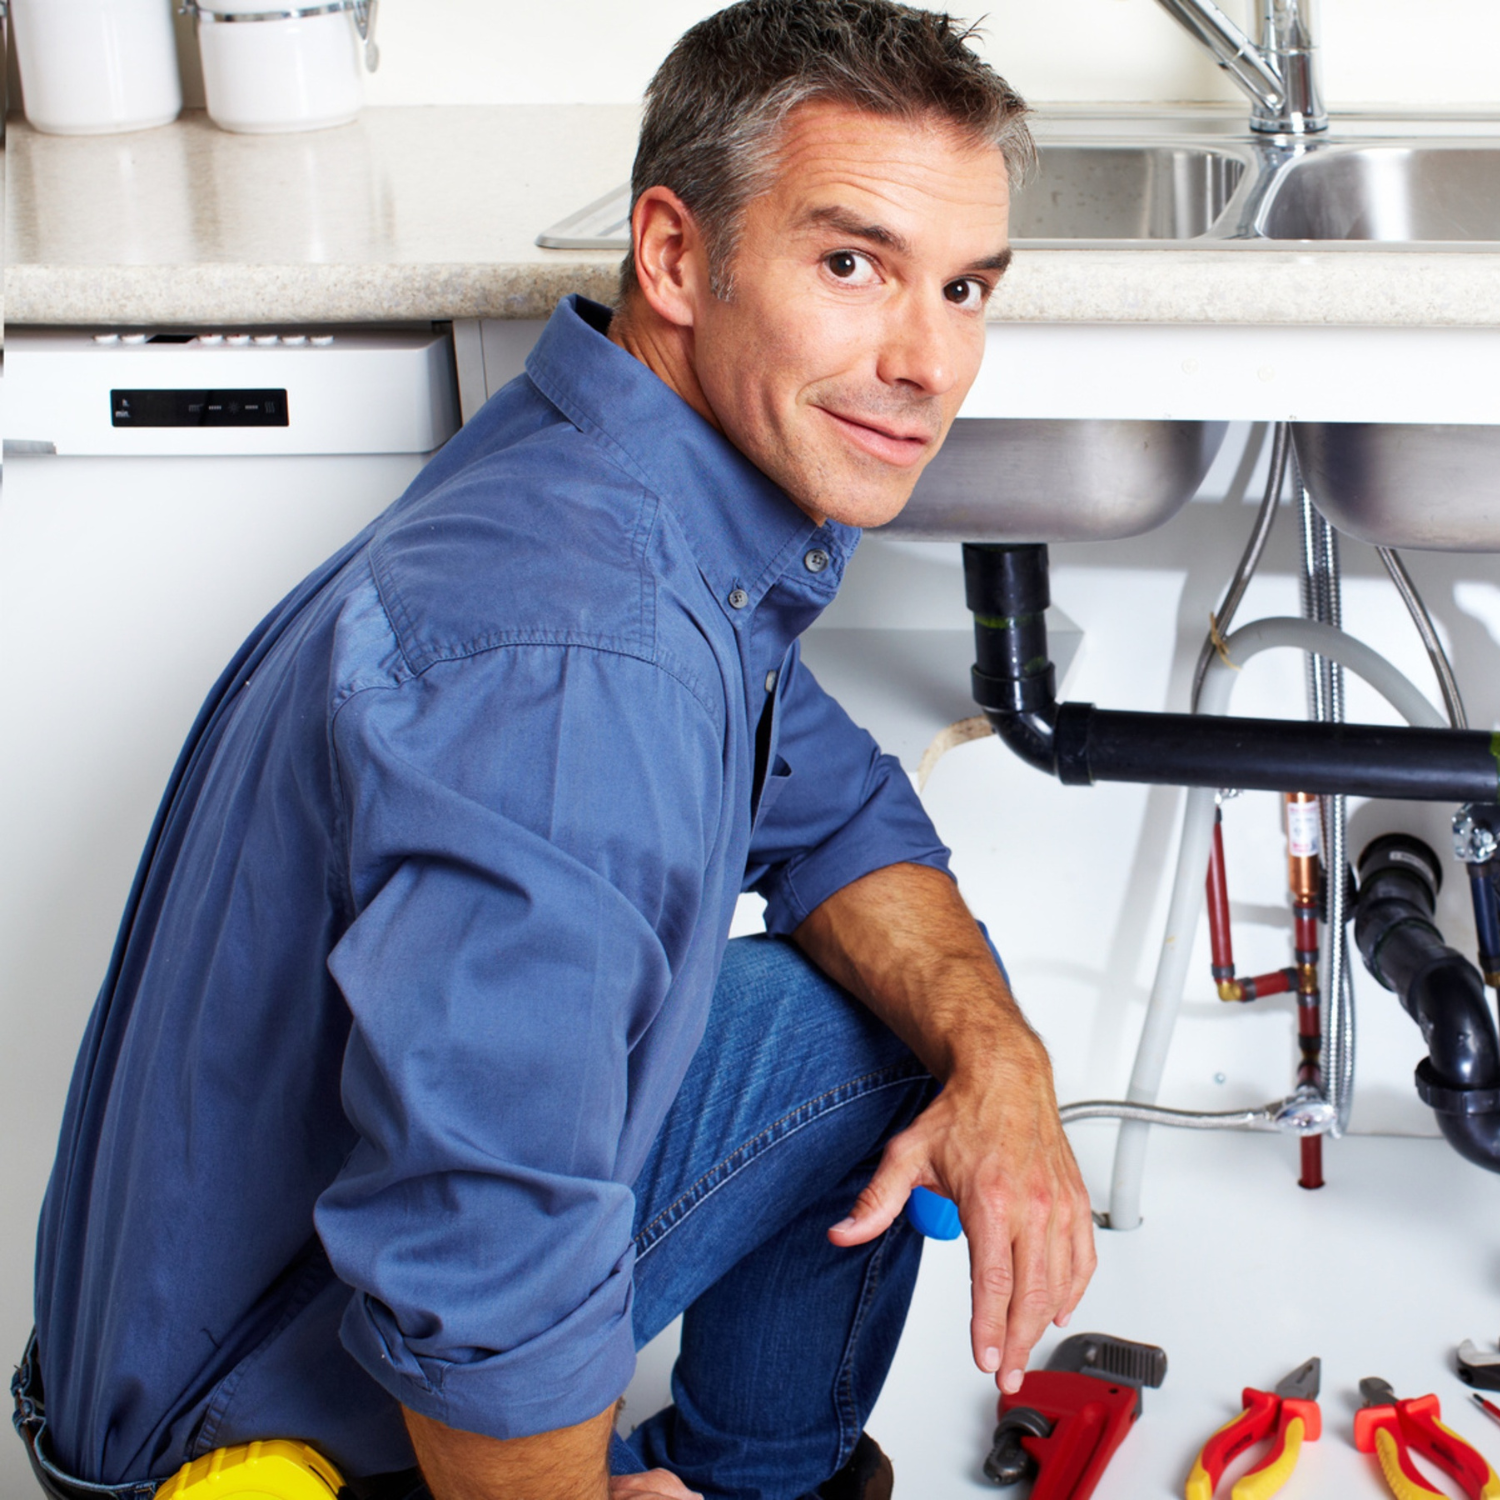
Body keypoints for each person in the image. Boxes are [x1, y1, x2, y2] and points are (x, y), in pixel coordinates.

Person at [15, 3, 1096, 1498]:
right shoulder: (581, 657)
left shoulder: (611, 481)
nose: (928, 359)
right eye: (852, 264)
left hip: (231, 1318)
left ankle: (744, 1475)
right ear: (672, 256)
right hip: (235, 1442)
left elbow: (837, 807)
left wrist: (1003, 1064)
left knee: (890, 1010)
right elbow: (482, 1262)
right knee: (851, 1044)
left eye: (965, 286)